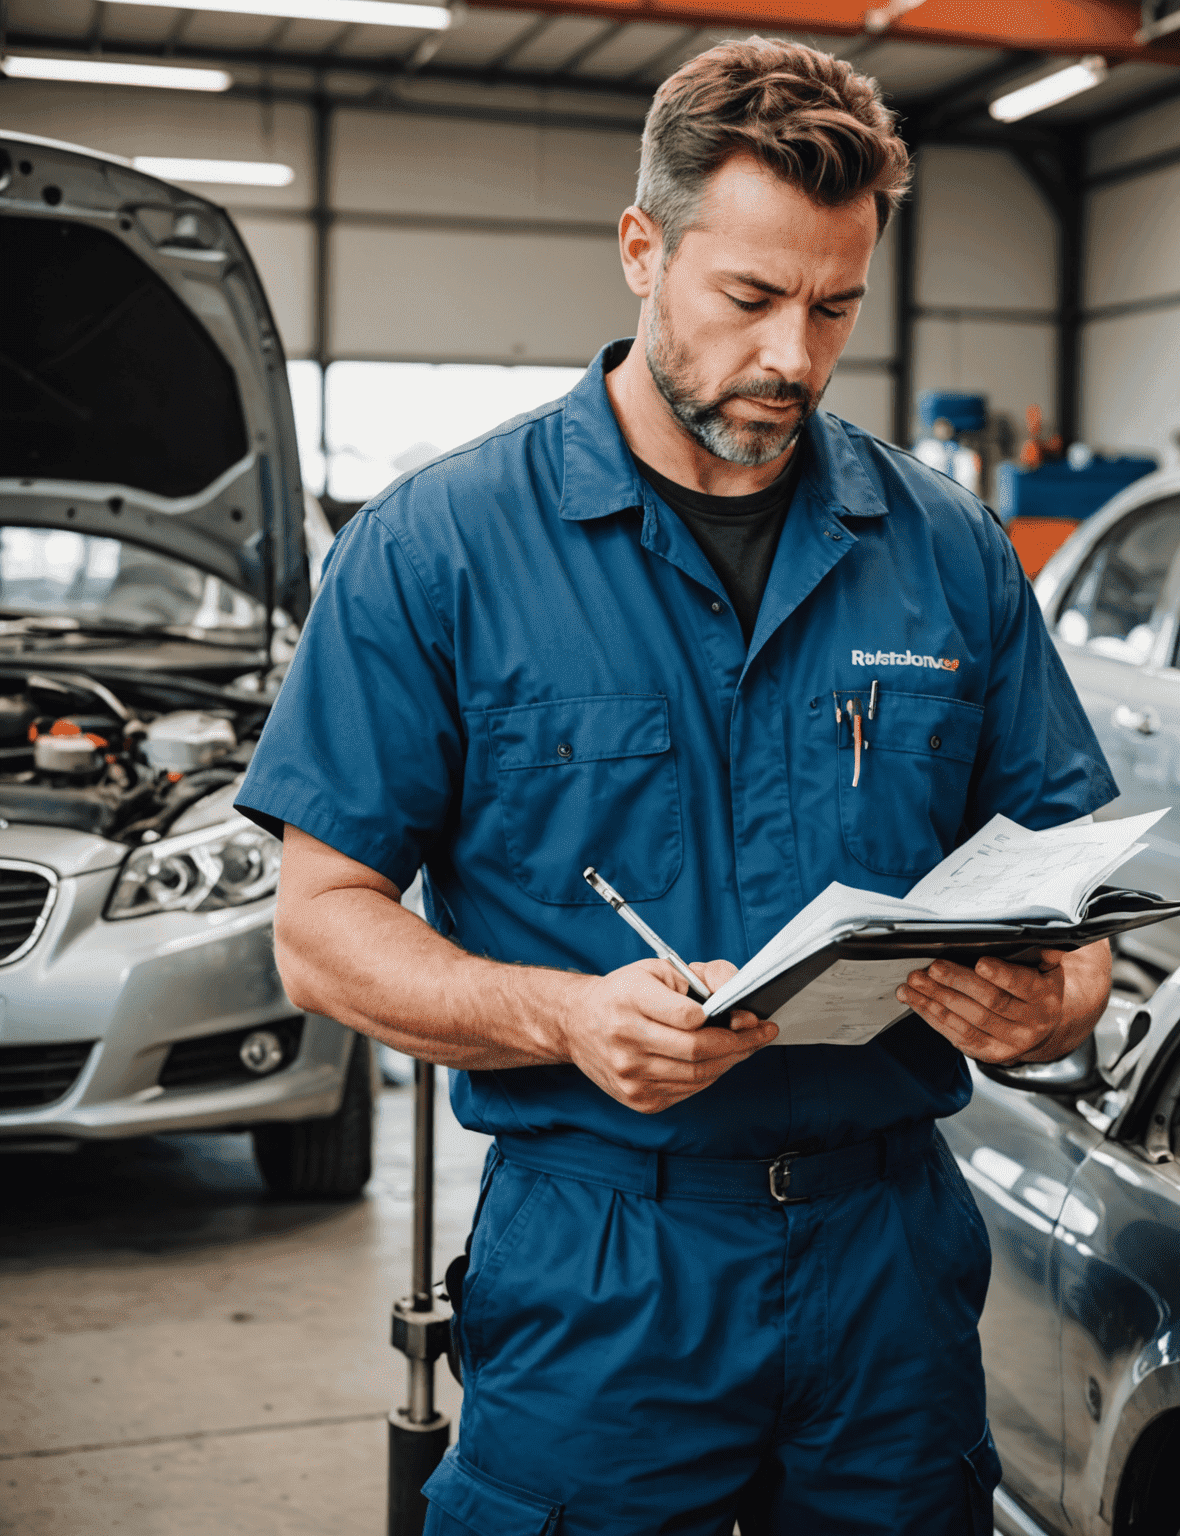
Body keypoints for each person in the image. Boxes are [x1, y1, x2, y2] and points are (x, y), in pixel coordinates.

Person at [239, 36, 1117, 1535]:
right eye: (751, 299)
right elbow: (321, 932)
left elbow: (1070, 887)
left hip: (887, 1253)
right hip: (604, 1261)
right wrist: (563, 1017)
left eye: (836, 306)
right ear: (643, 250)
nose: (795, 353)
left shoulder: (948, 550)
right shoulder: (441, 549)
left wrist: (1061, 998)